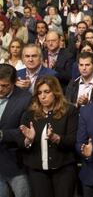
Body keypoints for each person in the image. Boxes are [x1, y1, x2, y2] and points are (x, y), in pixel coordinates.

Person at [19, 76, 78, 197]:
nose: (43, 96)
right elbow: (20, 143)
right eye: (39, 93)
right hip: (37, 171)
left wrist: (56, 138)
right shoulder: (29, 114)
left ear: (55, 92)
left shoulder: (69, 111)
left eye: (47, 92)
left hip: (63, 169)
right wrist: (28, 140)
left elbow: (74, 140)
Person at [0, 64, 32, 197]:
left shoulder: (25, 99)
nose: (0, 89)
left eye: (5, 86)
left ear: (14, 83)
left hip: (16, 165)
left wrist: (2, 135)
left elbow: (25, 131)